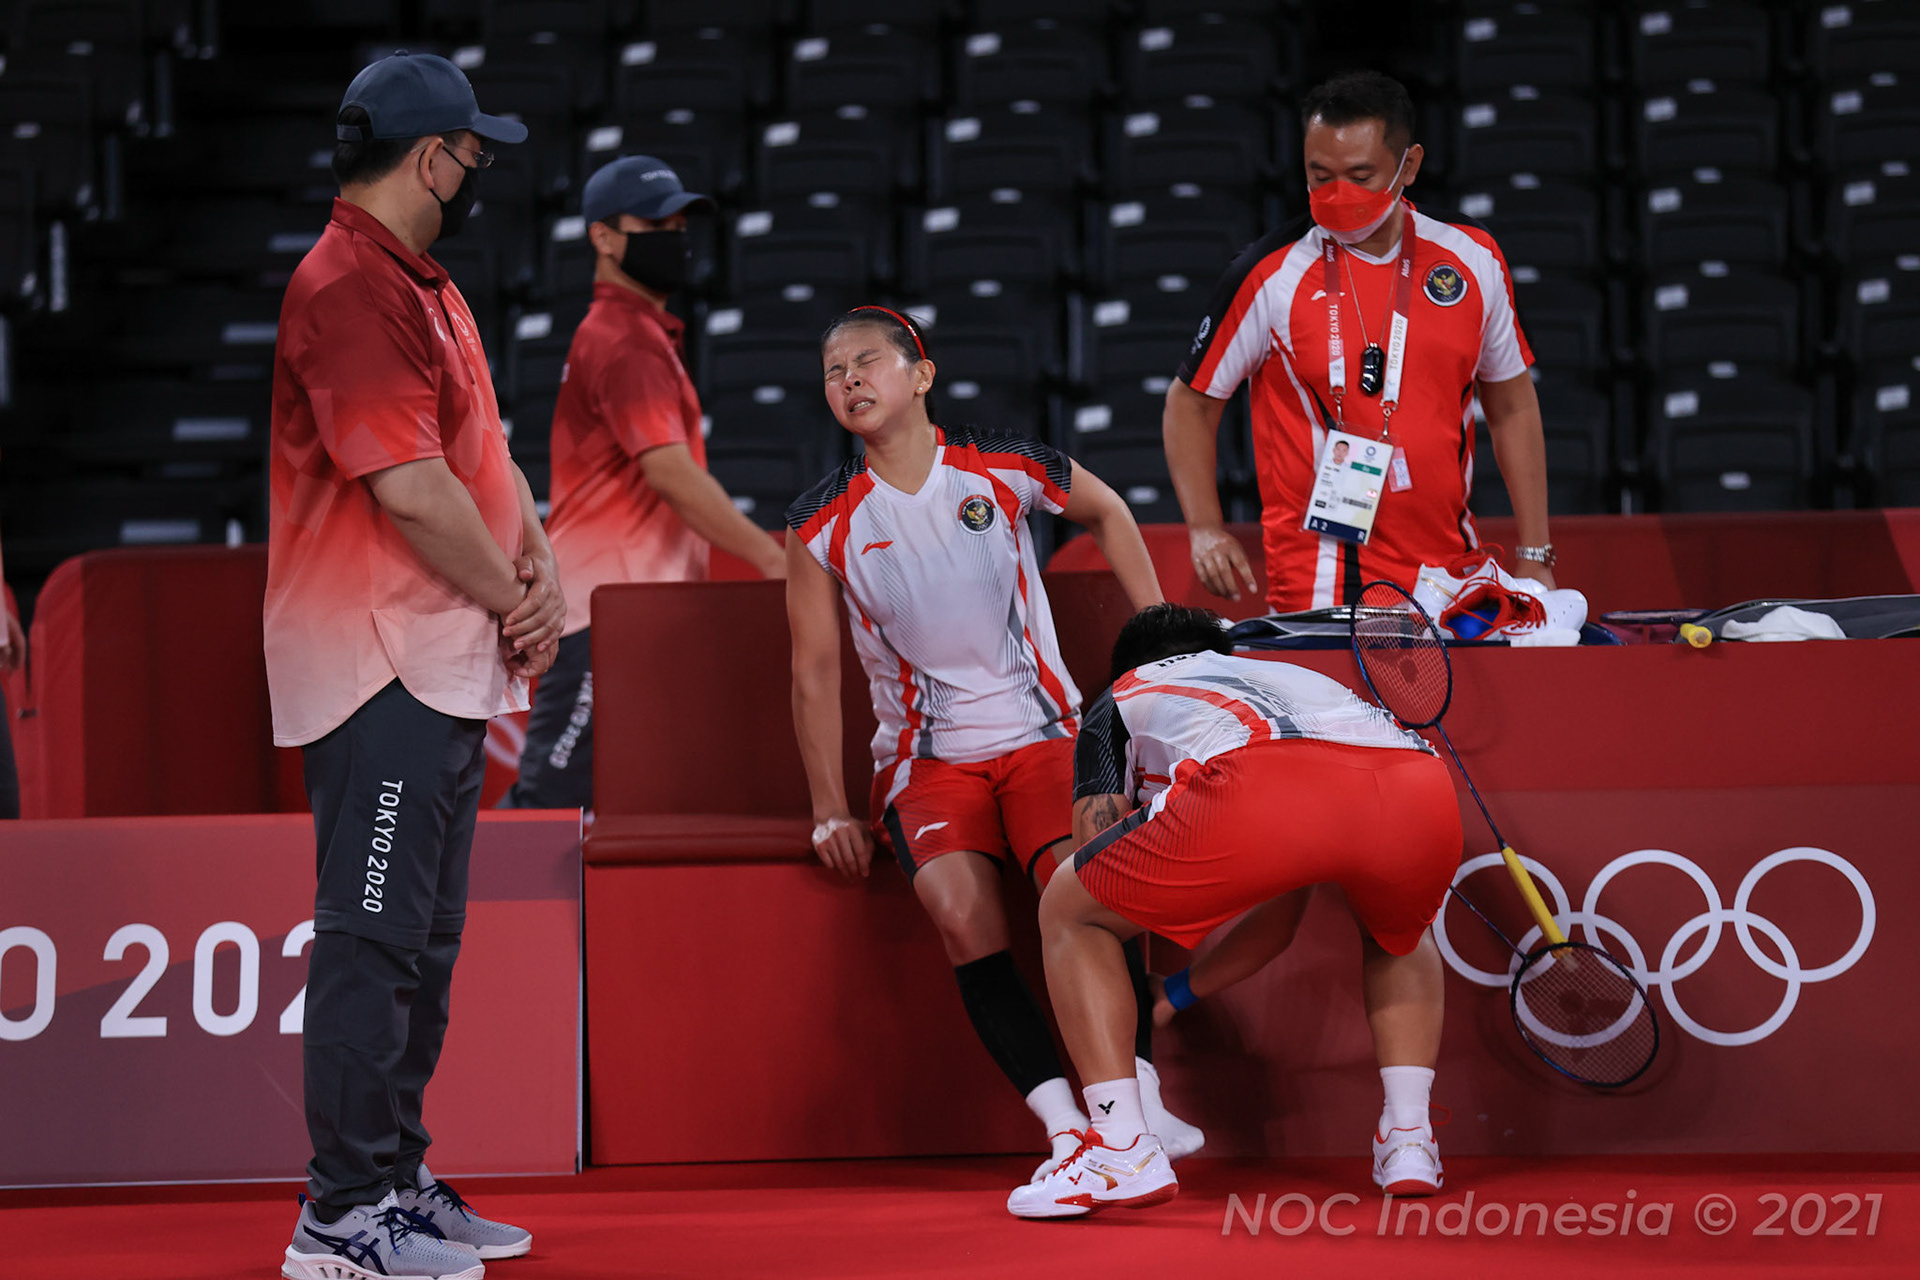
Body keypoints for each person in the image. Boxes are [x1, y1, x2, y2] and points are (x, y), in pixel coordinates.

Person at [786, 306, 1201, 1179]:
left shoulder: (1000, 464)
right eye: (834, 372)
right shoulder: (821, 522)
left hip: (1044, 733)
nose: (851, 380)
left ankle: (1138, 1097)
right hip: (924, 760)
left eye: (868, 362)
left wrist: (1159, 629)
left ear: (921, 375)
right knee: (962, 916)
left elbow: (1112, 512)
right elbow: (815, 674)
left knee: (1080, 887)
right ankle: (1066, 1128)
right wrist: (829, 809)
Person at [267, 52, 553, 1280]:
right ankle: (337, 1215)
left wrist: (533, 577)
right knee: (373, 941)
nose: (479, 169)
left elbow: (486, 461)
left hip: (442, 657)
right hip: (376, 656)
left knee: (422, 945)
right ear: (434, 157)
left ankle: (391, 1176)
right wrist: (518, 600)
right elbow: (411, 490)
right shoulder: (345, 285)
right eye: (473, 151)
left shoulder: (422, 283)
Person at [1009, 604, 1461, 1219]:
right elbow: (1281, 912)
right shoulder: (1287, 678)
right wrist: (1179, 994)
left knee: (1070, 910)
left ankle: (1119, 1149)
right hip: (1419, 783)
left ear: (1129, 665)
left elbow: (1098, 863)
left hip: (1262, 780)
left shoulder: (1119, 695)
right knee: (1399, 937)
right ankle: (1409, 1140)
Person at [1164, 70, 1559, 612]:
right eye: (1318, 174)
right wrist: (1204, 526)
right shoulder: (1267, 274)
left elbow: (1512, 404)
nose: (1336, 194)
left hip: (1448, 582)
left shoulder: (1472, 258)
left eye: (1360, 175)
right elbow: (1190, 402)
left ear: (1409, 166)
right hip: (1318, 590)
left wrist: (1535, 550)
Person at [502, 156, 784, 812]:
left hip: (628, 610)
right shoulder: (626, 341)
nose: (675, 236)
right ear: (602, 236)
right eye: (655, 222)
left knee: (620, 798)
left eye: (681, 223)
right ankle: (496, 917)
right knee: (553, 799)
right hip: (605, 613)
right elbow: (670, 473)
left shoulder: (635, 336)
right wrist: (771, 555)